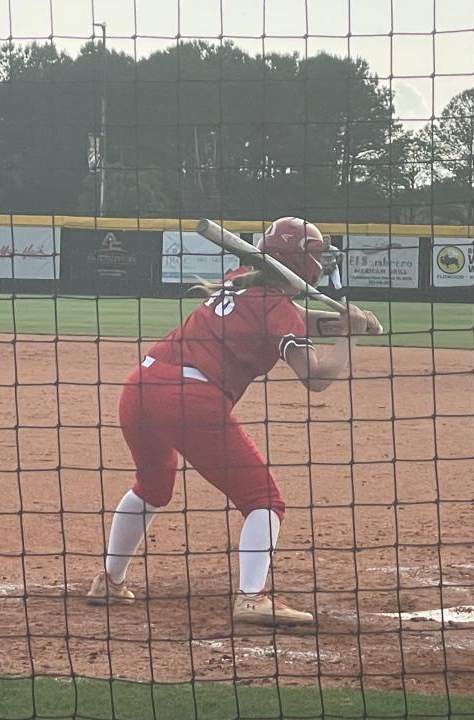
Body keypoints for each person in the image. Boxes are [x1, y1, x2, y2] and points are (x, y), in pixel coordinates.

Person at [85, 217, 381, 629]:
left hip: (140, 388)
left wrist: (346, 324)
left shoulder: (240, 279)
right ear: (304, 263)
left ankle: (109, 581)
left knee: (152, 487)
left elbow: (293, 317)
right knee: (265, 501)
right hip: (190, 401)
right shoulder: (275, 308)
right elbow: (315, 377)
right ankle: (252, 598)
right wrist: (346, 336)